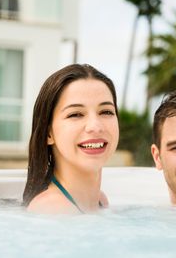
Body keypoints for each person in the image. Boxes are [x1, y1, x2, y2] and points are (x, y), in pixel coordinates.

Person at [23, 64, 119, 214]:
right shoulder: (51, 209)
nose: (95, 126)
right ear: (49, 134)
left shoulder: (100, 200)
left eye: (106, 111)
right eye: (75, 114)